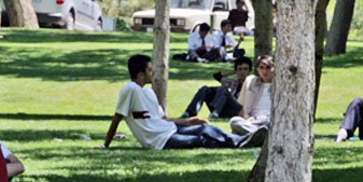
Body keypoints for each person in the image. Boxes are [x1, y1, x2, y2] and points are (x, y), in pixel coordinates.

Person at [103, 54, 265, 150]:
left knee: (204, 128)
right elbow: (117, 118)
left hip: (169, 129)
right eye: (150, 70)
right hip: (159, 140)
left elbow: (163, 119)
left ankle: (243, 140)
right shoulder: (130, 89)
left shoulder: (148, 91)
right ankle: (241, 143)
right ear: (140, 75)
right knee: (201, 139)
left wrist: (188, 121)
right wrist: (106, 145)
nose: (153, 73)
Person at [182, 56, 252, 119]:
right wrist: (234, 71)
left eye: (245, 69)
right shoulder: (233, 82)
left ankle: (216, 112)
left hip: (237, 111)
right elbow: (217, 76)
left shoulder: (252, 84)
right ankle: (189, 113)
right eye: (240, 69)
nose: (242, 72)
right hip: (224, 109)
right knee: (205, 89)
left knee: (223, 88)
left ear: (249, 71)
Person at [231, 55, 274, 136]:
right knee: (234, 121)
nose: (265, 71)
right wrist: (246, 118)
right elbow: (240, 106)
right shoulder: (251, 81)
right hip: (252, 121)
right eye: (261, 67)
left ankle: (253, 134)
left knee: (268, 123)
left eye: (268, 67)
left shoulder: (281, 84)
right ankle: (258, 134)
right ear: (257, 69)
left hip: (270, 120)